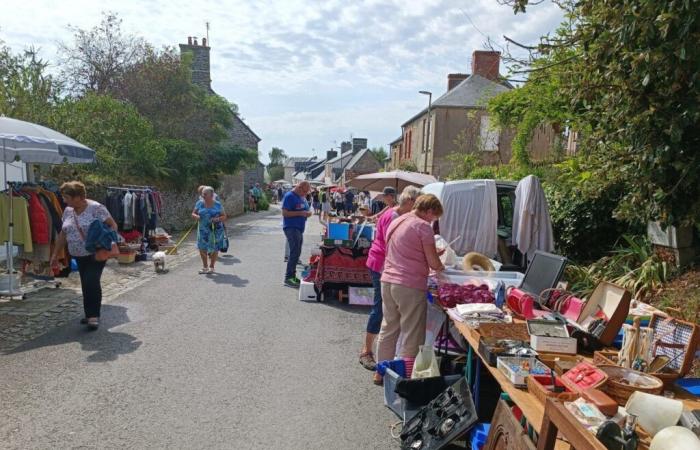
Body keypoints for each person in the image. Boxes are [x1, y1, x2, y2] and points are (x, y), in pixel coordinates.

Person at [374, 194, 445, 384]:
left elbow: (404, 249)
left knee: (388, 328)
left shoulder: (398, 220)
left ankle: (381, 372)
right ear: (429, 211)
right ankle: (404, 380)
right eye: (434, 217)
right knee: (412, 334)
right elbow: (433, 262)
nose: (433, 221)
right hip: (408, 284)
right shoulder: (423, 226)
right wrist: (440, 266)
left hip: (387, 280)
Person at [358, 186, 421, 372]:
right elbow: (393, 245)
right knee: (379, 309)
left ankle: (385, 353)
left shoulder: (395, 213)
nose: (416, 209)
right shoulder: (394, 216)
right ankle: (366, 351)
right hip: (380, 265)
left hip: (382, 264)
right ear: (409, 201)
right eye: (415, 205)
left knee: (385, 311)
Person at [50, 181, 118, 330]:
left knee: (91, 281)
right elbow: (63, 233)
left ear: (78, 197)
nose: (64, 200)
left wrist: (104, 242)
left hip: (96, 253)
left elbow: (113, 226)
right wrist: (55, 254)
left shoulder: (96, 208)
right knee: (86, 283)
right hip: (77, 255)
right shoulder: (68, 211)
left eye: (66, 197)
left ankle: (93, 316)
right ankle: (89, 314)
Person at [282, 181, 312, 287]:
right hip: (291, 227)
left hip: (298, 228)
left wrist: (307, 213)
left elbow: (304, 209)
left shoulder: (300, 197)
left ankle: (292, 277)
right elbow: (285, 213)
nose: (305, 194)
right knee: (294, 253)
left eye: (307, 192)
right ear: (299, 187)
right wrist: (301, 213)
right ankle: (288, 278)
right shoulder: (290, 196)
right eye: (304, 191)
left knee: (297, 253)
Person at [192, 186, 227, 274]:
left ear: (211, 195)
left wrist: (217, 219)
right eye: (202, 194)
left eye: (205, 194)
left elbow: (224, 216)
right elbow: (193, 213)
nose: (203, 195)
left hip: (215, 230)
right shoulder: (199, 203)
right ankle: (205, 267)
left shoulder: (218, 204)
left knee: (214, 248)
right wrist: (196, 216)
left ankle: (211, 267)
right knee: (202, 248)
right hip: (203, 230)